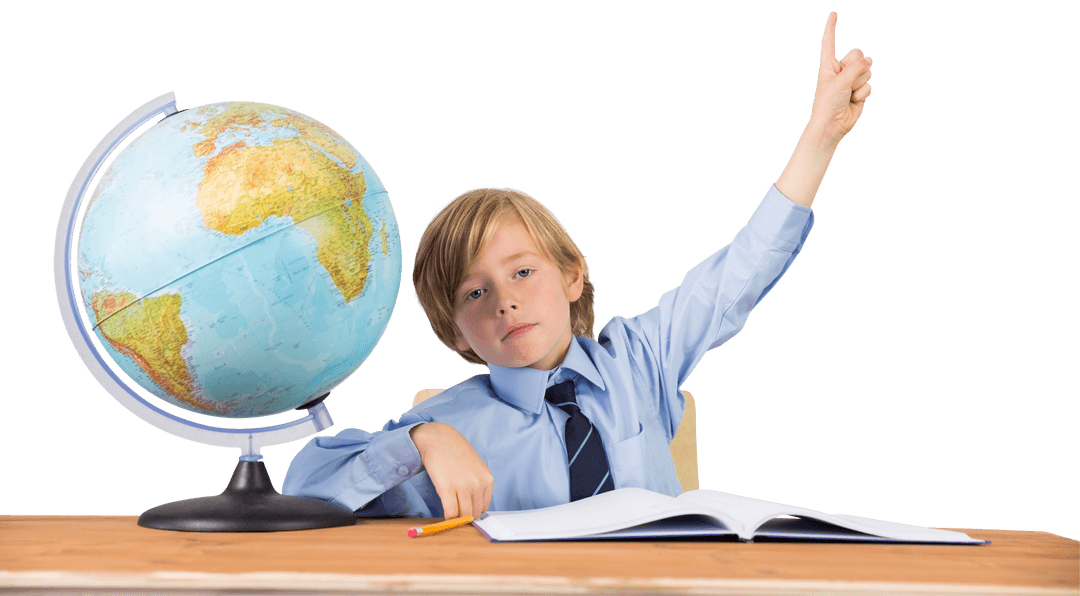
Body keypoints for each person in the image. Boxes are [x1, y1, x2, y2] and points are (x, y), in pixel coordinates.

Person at [282, 11, 873, 519]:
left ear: (571, 277)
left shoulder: (640, 363)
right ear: (452, 330)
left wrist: (820, 136)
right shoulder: (450, 423)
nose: (504, 302)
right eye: (473, 295)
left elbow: (738, 272)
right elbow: (305, 486)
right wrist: (422, 439)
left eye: (522, 272)